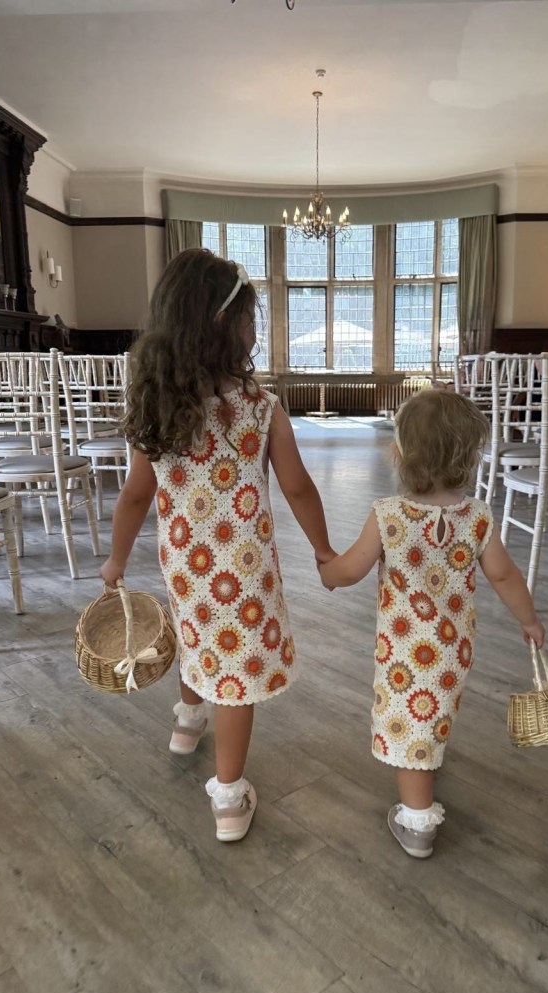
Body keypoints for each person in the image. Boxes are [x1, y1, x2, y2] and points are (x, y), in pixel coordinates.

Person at [101, 248, 334, 842]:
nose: (256, 330)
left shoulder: (159, 406)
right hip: (245, 573)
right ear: (227, 326)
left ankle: (187, 722)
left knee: (195, 635)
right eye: (251, 318)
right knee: (235, 675)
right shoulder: (260, 408)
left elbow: (134, 496)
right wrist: (324, 550)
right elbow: (298, 487)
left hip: (185, 564)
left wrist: (116, 558)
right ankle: (229, 797)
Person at [318, 388, 544, 859]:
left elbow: (351, 569)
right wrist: (529, 620)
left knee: (408, 731)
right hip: (453, 649)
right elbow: (504, 574)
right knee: (432, 714)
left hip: (403, 653)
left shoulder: (388, 515)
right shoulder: (476, 517)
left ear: (400, 454)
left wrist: (328, 573)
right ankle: (428, 759)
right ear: (469, 456)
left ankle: (417, 821)